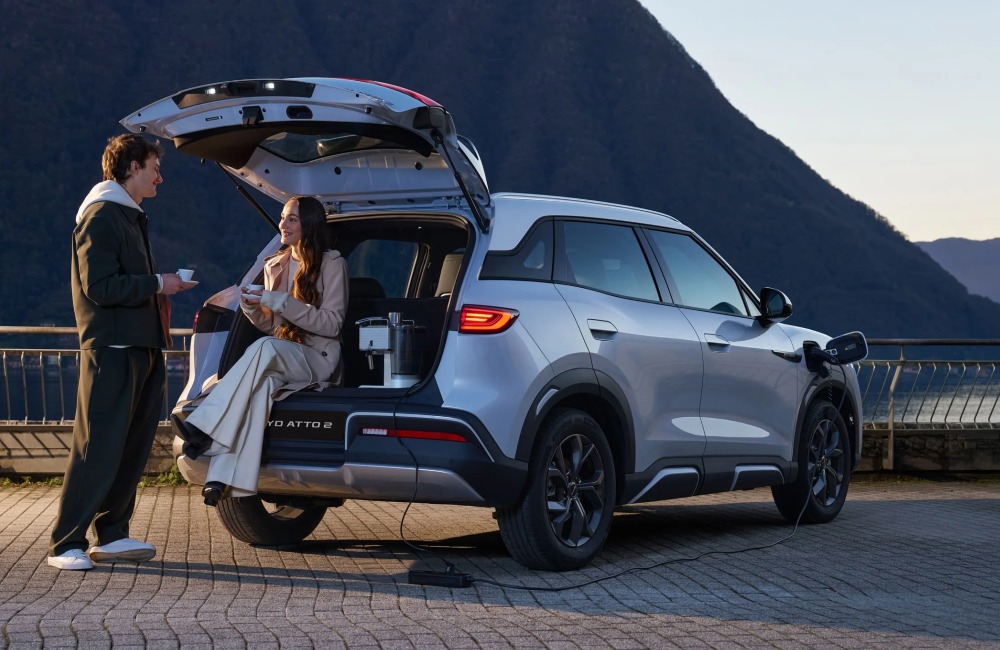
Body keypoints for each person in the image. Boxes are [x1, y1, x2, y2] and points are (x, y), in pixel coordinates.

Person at [49, 134, 196, 571]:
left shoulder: (128, 215)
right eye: (154, 168)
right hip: (112, 347)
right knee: (96, 446)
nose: (160, 178)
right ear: (132, 166)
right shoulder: (100, 216)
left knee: (131, 446)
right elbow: (100, 287)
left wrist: (159, 288)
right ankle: (65, 542)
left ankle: (111, 534)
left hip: (143, 345)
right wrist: (158, 283)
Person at [181, 196, 348, 506]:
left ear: (309, 224)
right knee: (261, 389)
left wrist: (278, 301)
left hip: (317, 359)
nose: (283, 224)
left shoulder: (332, 263)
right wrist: (250, 306)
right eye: (283, 217)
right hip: (282, 354)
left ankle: (205, 423)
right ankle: (222, 480)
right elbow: (269, 326)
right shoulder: (275, 263)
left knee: (266, 347)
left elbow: (332, 324)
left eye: (293, 219)